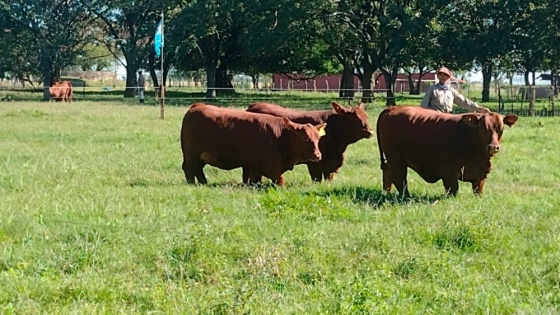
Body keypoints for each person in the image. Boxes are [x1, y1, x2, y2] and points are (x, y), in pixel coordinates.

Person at [420, 67, 491, 114]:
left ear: (448, 77)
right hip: (435, 119)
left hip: (448, 118)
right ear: (438, 76)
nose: (442, 76)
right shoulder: (432, 89)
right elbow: (424, 105)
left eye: (445, 74)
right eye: (440, 74)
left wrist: (479, 108)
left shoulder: (451, 91)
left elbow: (464, 102)